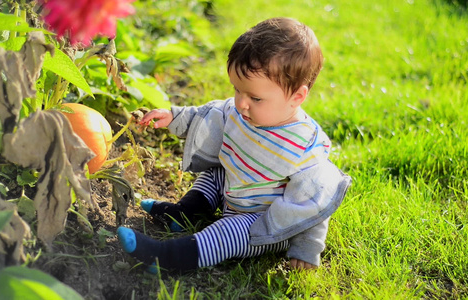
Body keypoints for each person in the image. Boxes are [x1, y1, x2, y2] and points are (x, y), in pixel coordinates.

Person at [117, 17, 352, 272]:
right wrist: (173, 117)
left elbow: (313, 202)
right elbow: (206, 116)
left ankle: (168, 257)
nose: (241, 103)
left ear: (297, 96)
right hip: (236, 190)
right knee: (217, 171)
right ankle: (185, 212)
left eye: (255, 97)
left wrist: (306, 248)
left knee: (226, 231)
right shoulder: (238, 111)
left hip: (262, 223)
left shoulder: (304, 146)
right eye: (237, 90)